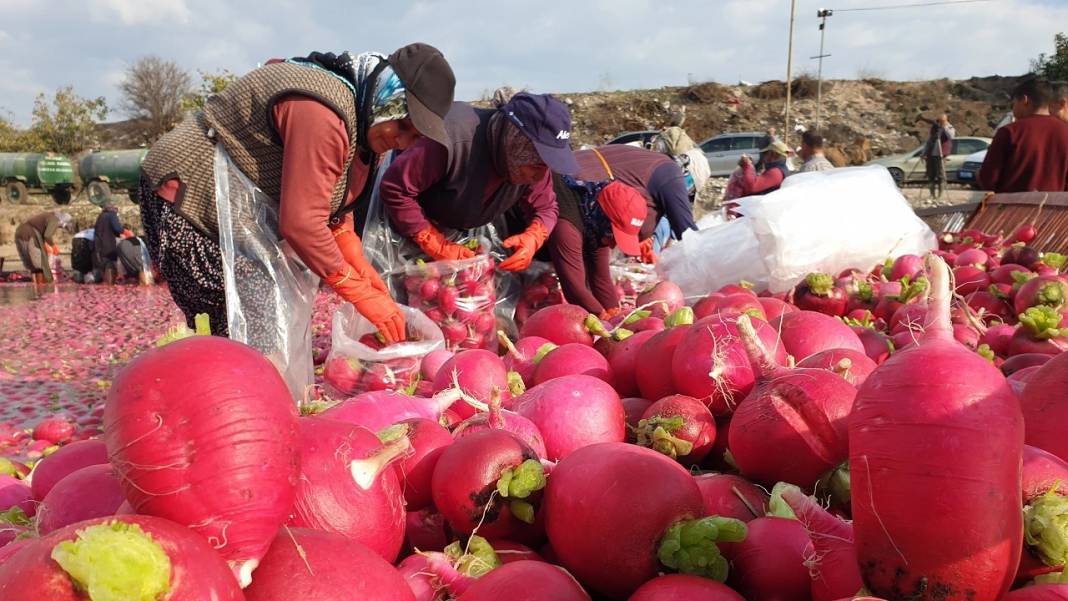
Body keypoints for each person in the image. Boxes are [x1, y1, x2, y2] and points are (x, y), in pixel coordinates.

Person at [140, 43, 456, 344]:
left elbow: (332, 192)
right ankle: (229, 394)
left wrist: (352, 253)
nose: (403, 142)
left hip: (237, 212)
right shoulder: (323, 112)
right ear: (388, 99)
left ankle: (248, 391)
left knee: (263, 321)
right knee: (238, 321)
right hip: (191, 196)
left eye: (415, 137)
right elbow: (302, 223)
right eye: (402, 126)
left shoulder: (367, 123)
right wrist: (353, 286)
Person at [379, 92, 576, 273]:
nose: (541, 174)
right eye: (538, 161)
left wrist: (534, 236)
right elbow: (396, 188)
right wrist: (432, 242)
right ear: (516, 141)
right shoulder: (450, 138)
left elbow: (546, 207)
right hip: (402, 224)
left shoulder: (530, 167)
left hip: (458, 231)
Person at [572, 144, 697, 265]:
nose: (688, 194)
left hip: (575, 193)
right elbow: (688, 235)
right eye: (692, 190)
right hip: (574, 200)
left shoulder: (646, 160)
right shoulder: (671, 176)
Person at [545, 175, 647, 317]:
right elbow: (574, 288)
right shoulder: (567, 226)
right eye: (613, 235)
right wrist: (602, 316)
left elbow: (601, 277)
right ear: (603, 215)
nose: (612, 245)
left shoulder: (595, 219)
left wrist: (614, 312)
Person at [978, 77, 1068, 193]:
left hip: (1011, 208)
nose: (1013, 108)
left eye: (1014, 103)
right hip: (1053, 208)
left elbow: (988, 180)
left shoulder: (1009, 132)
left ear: (1025, 100)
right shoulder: (1065, 131)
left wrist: (978, 175)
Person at [15, 211, 72, 284]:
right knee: (40, 264)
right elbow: (47, 235)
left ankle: (36, 287)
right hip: (30, 234)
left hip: (20, 233)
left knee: (31, 264)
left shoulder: (47, 216)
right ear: (62, 221)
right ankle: (42, 287)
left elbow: (43, 234)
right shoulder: (54, 219)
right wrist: (53, 246)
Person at [921, 113, 955, 199]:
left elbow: (951, 136)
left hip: (940, 155)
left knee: (940, 175)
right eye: (938, 121)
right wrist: (923, 153)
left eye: (941, 121)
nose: (939, 122)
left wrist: (944, 126)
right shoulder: (935, 128)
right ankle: (932, 195)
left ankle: (940, 196)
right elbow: (929, 141)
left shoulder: (949, 127)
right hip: (931, 154)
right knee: (930, 175)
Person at [93, 201, 127, 284]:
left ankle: (107, 286)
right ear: (112, 208)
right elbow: (117, 228)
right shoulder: (112, 215)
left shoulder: (100, 216)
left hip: (98, 245)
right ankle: (110, 286)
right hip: (108, 244)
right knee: (110, 264)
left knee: (104, 265)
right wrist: (123, 230)